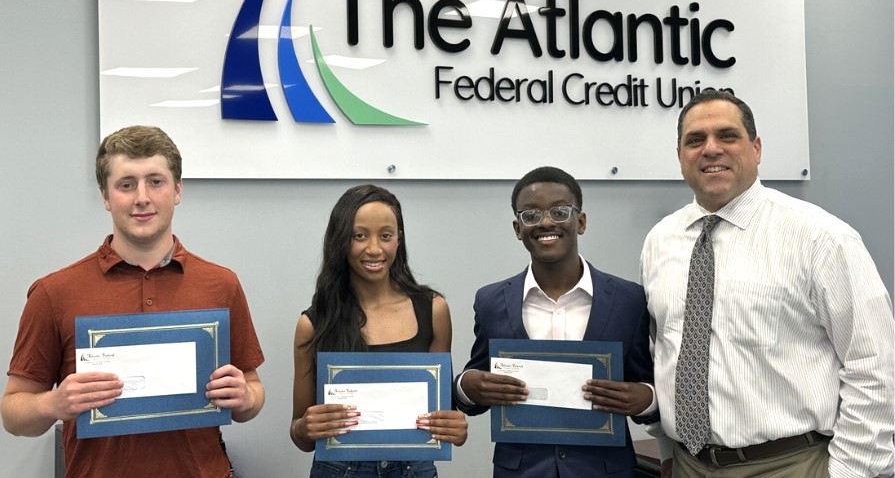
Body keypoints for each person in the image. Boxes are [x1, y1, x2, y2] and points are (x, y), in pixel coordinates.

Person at [640, 89, 895, 477]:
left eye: (727, 136)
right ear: (680, 157)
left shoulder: (820, 238)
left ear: (756, 149)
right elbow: (661, 353)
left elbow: (875, 366)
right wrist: (666, 450)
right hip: (690, 464)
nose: (711, 149)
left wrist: (850, 472)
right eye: (695, 140)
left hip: (791, 464)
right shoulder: (660, 240)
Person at [1, 125, 265, 478]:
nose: (142, 197)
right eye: (126, 185)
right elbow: (14, 415)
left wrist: (246, 399)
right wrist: (55, 402)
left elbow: (253, 392)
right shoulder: (54, 292)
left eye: (155, 181)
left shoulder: (221, 284)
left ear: (177, 190)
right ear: (106, 197)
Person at [454, 166, 659, 478]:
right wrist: (466, 388)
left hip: (605, 470)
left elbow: (649, 386)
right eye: (531, 215)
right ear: (517, 228)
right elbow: (475, 387)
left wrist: (645, 399)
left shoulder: (629, 300)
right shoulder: (490, 301)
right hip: (520, 471)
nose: (546, 222)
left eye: (559, 211)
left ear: (581, 222)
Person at [290, 184, 467, 478]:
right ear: (340, 241)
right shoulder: (313, 324)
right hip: (338, 470)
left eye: (386, 235)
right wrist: (304, 427)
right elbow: (301, 435)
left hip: (414, 468)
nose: (374, 249)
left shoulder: (433, 310)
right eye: (359, 236)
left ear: (399, 240)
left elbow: (441, 415)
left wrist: (455, 428)